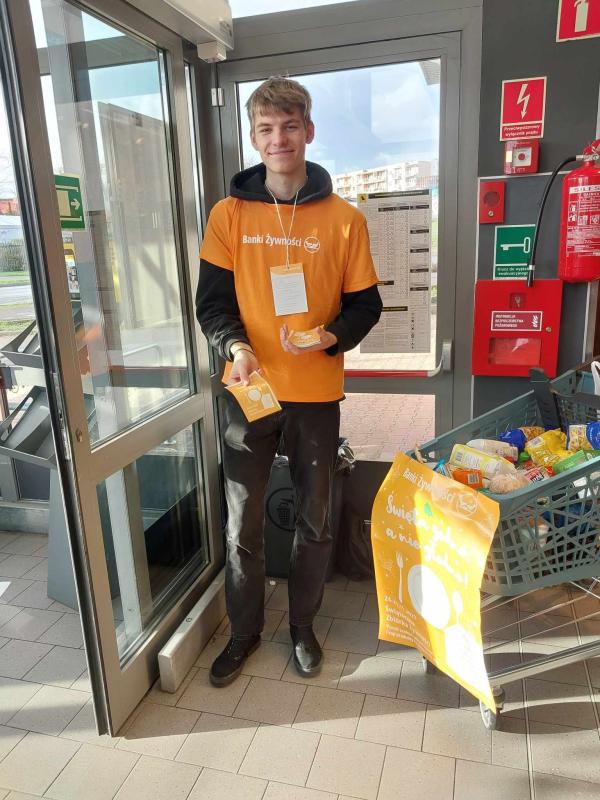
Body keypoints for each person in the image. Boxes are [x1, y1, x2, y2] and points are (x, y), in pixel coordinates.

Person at [196, 76, 382, 687]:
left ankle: (302, 626)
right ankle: (245, 632)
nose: (279, 139)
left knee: (315, 521)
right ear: (254, 138)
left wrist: (331, 336)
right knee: (241, 522)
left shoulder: (345, 219)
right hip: (249, 392)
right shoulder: (228, 215)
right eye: (267, 129)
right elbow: (212, 305)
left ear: (309, 130)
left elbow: (366, 306)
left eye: (290, 126)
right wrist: (237, 347)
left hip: (316, 398)